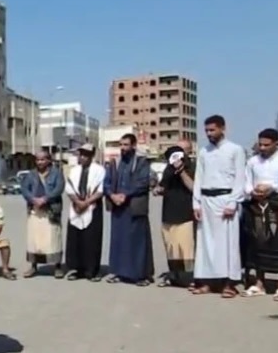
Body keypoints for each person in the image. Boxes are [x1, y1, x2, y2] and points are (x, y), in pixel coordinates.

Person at [190, 115, 248, 298]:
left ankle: (229, 284)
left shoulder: (235, 150)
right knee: (206, 244)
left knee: (228, 244)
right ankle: (206, 281)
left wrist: (233, 202)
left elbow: (240, 178)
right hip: (206, 199)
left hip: (226, 200)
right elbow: (199, 177)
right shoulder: (203, 152)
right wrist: (196, 203)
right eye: (207, 130)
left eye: (212, 130)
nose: (209, 134)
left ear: (223, 129)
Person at [241, 128, 278, 300]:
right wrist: (253, 191)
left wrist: (272, 188)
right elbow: (246, 182)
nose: (262, 148)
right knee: (257, 243)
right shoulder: (253, 161)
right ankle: (259, 283)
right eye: (260, 144)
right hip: (256, 205)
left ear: (277, 144)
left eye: (266, 145)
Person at [104, 135, 155, 286]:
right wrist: (112, 195)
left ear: (134, 145)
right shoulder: (115, 162)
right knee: (118, 241)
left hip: (134, 207)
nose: (123, 148)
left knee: (137, 242)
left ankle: (140, 275)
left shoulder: (141, 162)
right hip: (118, 208)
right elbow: (106, 182)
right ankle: (119, 272)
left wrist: (125, 194)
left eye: (126, 145)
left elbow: (143, 182)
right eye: (121, 145)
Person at [154, 141, 196, 289]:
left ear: (188, 152)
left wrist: (181, 171)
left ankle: (190, 279)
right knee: (171, 248)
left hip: (185, 214)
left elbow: (193, 187)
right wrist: (158, 189)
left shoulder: (192, 166)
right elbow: (163, 185)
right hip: (168, 213)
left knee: (186, 249)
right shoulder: (168, 168)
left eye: (182, 150)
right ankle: (174, 277)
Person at [19, 150, 65, 278]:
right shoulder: (31, 174)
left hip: (51, 210)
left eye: (43, 159)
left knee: (53, 239)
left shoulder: (56, 173)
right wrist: (32, 199)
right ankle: (33, 266)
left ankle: (57, 267)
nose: (40, 162)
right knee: (34, 240)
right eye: (38, 160)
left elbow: (59, 188)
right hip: (35, 210)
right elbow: (24, 189)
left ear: (48, 160)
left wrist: (45, 198)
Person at [63, 145, 106, 281]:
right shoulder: (74, 170)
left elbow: (101, 190)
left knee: (91, 239)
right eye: (80, 155)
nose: (82, 157)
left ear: (91, 156)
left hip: (92, 206)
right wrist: (78, 202)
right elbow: (69, 189)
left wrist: (86, 202)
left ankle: (92, 270)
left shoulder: (99, 170)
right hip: (76, 207)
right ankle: (78, 269)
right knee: (76, 238)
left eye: (86, 155)